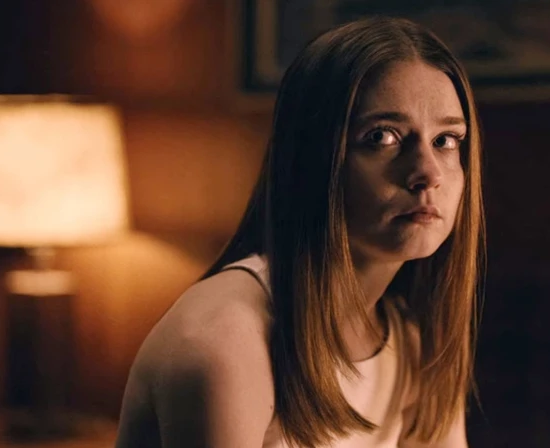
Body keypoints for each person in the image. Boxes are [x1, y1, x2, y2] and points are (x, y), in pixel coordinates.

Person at [115, 16, 485, 448]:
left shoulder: (410, 344)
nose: (427, 173)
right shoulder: (223, 343)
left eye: (446, 140)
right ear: (311, 157)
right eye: (381, 137)